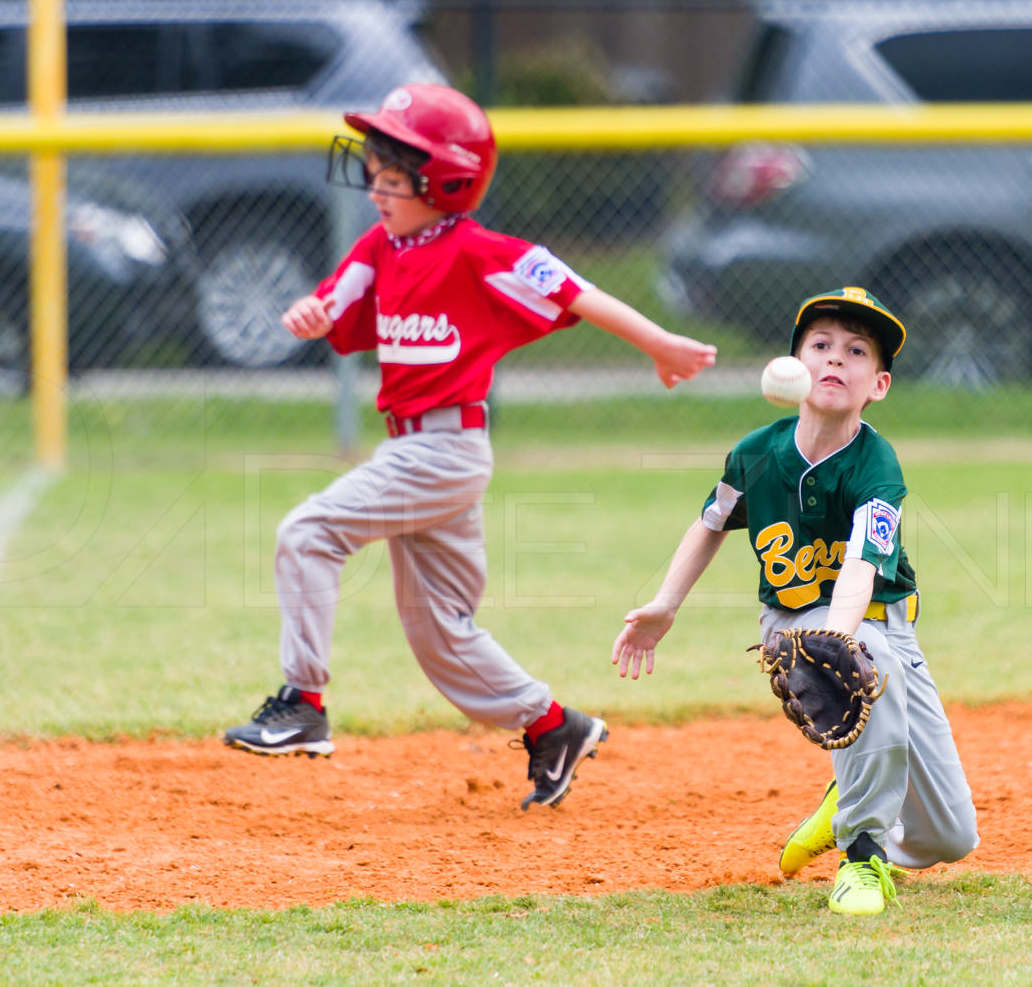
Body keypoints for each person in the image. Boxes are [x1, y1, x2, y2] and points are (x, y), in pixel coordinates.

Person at [222, 83, 717, 811]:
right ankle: (553, 726)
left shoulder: (479, 251)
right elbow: (336, 301)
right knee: (441, 633)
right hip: (418, 455)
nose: (376, 190)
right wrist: (311, 313)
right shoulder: (380, 246)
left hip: (442, 452)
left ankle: (303, 703)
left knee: (307, 532)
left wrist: (659, 342)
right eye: (374, 173)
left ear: (446, 182)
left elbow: (574, 291)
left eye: (394, 178)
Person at [611, 287, 978, 914]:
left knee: (951, 836)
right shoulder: (757, 454)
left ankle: (846, 803)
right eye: (821, 344)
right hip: (791, 618)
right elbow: (711, 523)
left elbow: (863, 563)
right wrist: (665, 604)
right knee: (870, 657)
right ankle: (861, 858)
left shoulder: (875, 464)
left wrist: (840, 638)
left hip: (878, 619)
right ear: (795, 366)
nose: (836, 357)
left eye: (857, 351)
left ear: (879, 385)